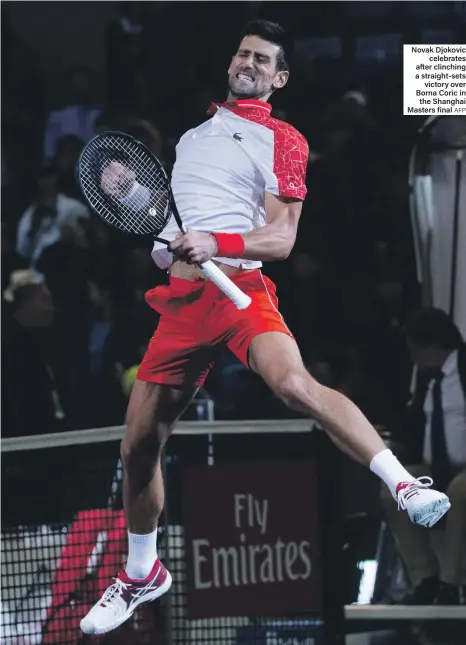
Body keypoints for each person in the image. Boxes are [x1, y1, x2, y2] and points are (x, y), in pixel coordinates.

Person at [80, 20, 451, 635]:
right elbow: (174, 229)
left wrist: (215, 240)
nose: (248, 61)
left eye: (263, 58)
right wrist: (159, 232)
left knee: (294, 384)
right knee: (137, 446)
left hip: (241, 291)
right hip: (183, 301)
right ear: (231, 63)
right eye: (243, 52)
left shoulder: (284, 139)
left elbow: (281, 237)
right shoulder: (192, 140)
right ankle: (142, 572)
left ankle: (405, 484)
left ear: (279, 78)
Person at [380, 308, 466, 605]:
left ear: (434, 345)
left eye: (416, 350)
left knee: (461, 489)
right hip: (437, 468)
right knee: (395, 488)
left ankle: (450, 583)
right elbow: (414, 421)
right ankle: (424, 577)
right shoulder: (425, 376)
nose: (414, 357)